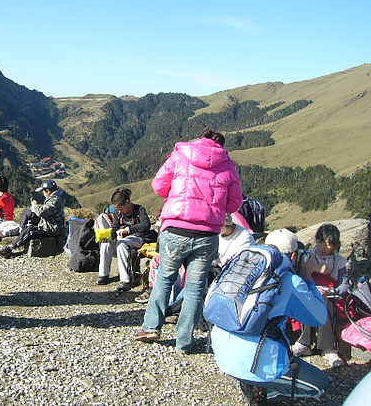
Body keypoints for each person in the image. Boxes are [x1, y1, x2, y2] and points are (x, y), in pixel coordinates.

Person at [134, 127, 243, 354]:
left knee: (164, 278)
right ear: (221, 145)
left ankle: (151, 327)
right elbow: (233, 205)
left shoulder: (181, 155)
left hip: (175, 228)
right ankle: (184, 341)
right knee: (194, 288)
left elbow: (158, 185)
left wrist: (175, 196)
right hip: (207, 234)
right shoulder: (228, 165)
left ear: (201, 139)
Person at [211, 229, 329, 404]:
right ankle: (268, 389)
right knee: (320, 385)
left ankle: (251, 382)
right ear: (294, 256)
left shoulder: (245, 267)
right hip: (254, 362)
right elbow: (319, 318)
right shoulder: (290, 280)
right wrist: (308, 278)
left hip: (222, 355)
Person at [292, 223, 349, 367]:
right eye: (319, 242)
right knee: (311, 299)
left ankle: (327, 348)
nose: (322, 247)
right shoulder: (309, 255)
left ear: (336, 245)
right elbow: (303, 276)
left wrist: (332, 291)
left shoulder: (340, 262)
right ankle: (306, 343)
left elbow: (344, 285)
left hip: (332, 296)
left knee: (324, 301)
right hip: (311, 290)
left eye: (327, 244)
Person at [95, 188, 154, 293]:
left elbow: (146, 225)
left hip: (139, 238)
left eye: (121, 208)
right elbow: (114, 228)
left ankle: (126, 280)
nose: (119, 211)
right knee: (106, 244)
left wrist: (128, 230)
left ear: (128, 202)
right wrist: (109, 237)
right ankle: (103, 275)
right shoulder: (119, 214)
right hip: (123, 239)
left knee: (121, 244)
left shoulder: (139, 210)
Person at [0, 179, 65, 258]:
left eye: (44, 191)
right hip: (47, 223)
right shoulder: (53, 197)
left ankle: (11, 247)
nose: (43, 193)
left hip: (52, 228)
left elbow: (42, 212)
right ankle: (21, 228)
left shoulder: (55, 201)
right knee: (28, 211)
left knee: (30, 230)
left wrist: (35, 205)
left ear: (48, 191)